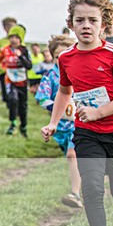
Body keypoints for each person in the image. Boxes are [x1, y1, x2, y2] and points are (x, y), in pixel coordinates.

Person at [41, 0, 113, 226]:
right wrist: (53, 122)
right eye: (80, 20)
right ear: (71, 24)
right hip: (87, 133)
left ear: (104, 24)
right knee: (92, 190)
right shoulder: (67, 60)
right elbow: (64, 91)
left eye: (92, 20)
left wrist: (100, 111)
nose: (86, 26)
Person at [36, 34, 82, 208]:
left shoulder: (81, 73)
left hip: (80, 125)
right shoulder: (50, 76)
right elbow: (41, 97)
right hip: (59, 127)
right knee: (71, 157)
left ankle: (75, 194)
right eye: (57, 57)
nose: (62, 60)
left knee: (72, 155)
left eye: (66, 55)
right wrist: (55, 107)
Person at [0, 24, 32, 136]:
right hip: (10, 81)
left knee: (23, 107)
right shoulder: (5, 50)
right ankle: (12, 123)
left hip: (22, 82)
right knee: (12, 99)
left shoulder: (24, 50)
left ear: (20, 39)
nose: (13, 40)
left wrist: (21, 57)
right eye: (11, 37)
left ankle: (23, 126)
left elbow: (29, 66)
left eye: (16, 38)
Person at [0, 17, 18, 105]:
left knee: (17, 93)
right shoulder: (0, 42)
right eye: (10, 26)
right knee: (6, 94)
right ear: (4, 28)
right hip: (4, 70)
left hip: (17, 71)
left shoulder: (20, 42)